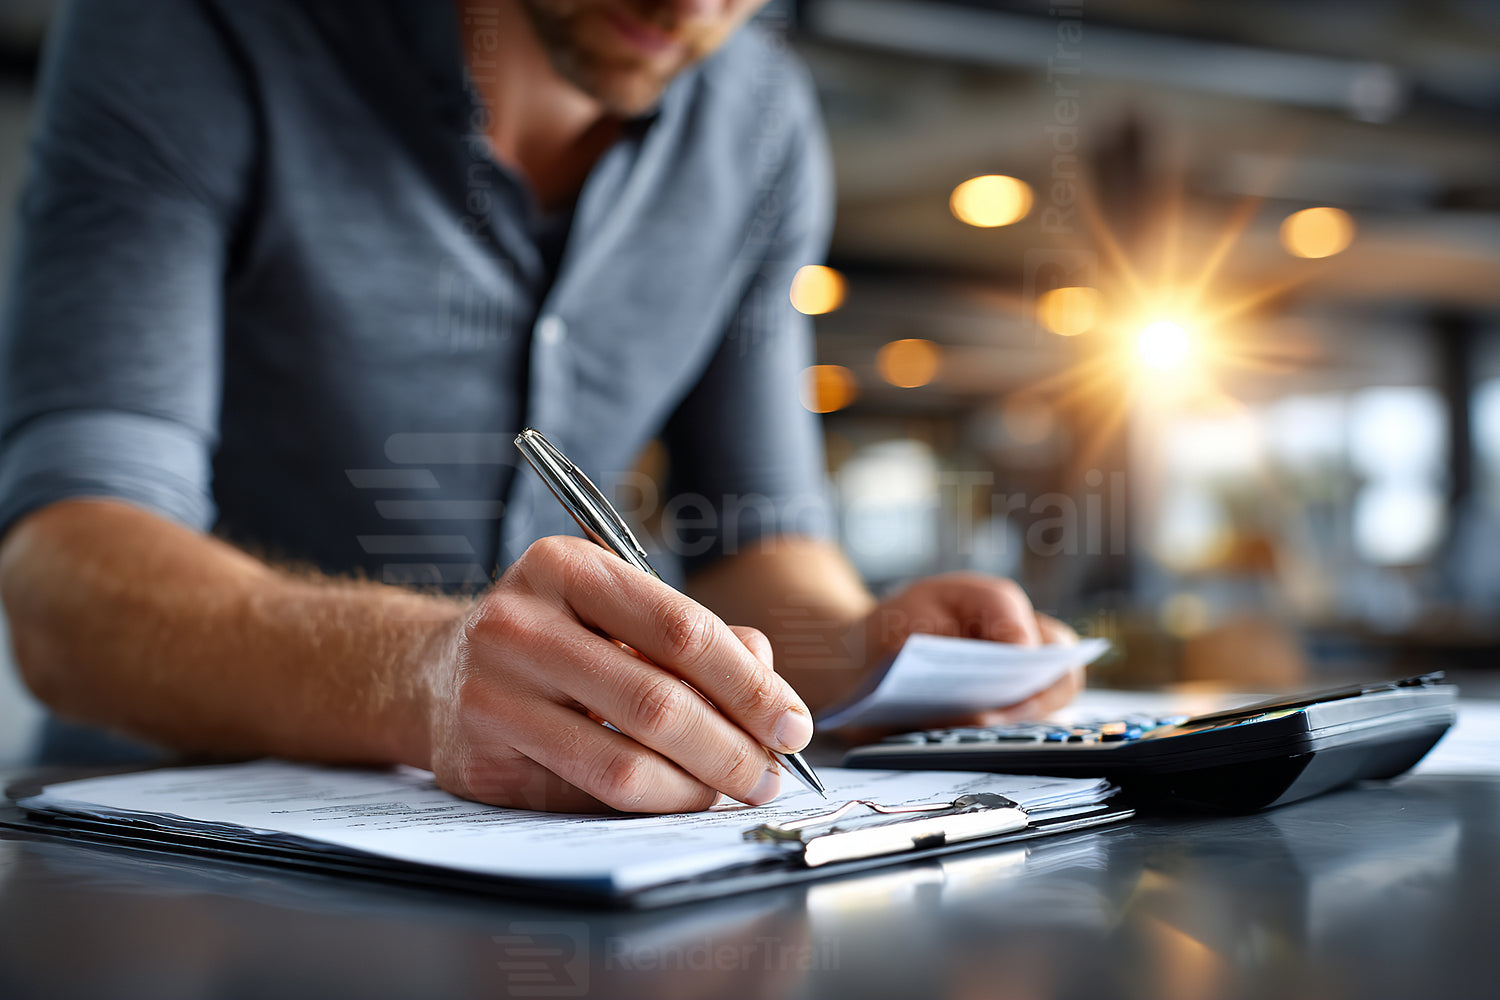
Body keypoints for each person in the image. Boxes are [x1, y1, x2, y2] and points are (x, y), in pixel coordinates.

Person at [0, 0, 1081, 813]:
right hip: (181, 874)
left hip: (564, 862)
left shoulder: (760, 121)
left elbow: (754, 537)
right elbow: (67, 583)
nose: (691, 7)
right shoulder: (195, 27)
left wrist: (860, 652)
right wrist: (424, 675)